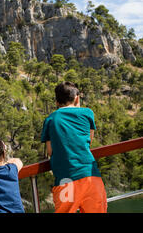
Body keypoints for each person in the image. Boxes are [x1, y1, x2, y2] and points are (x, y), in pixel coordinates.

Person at [41, 81, 107, 213]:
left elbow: (50, 151)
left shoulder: (50, 119)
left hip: (65, 179)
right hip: (90, 176)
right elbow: (88, 141)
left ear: (57, 102)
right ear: (77, 98)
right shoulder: (87, 113)